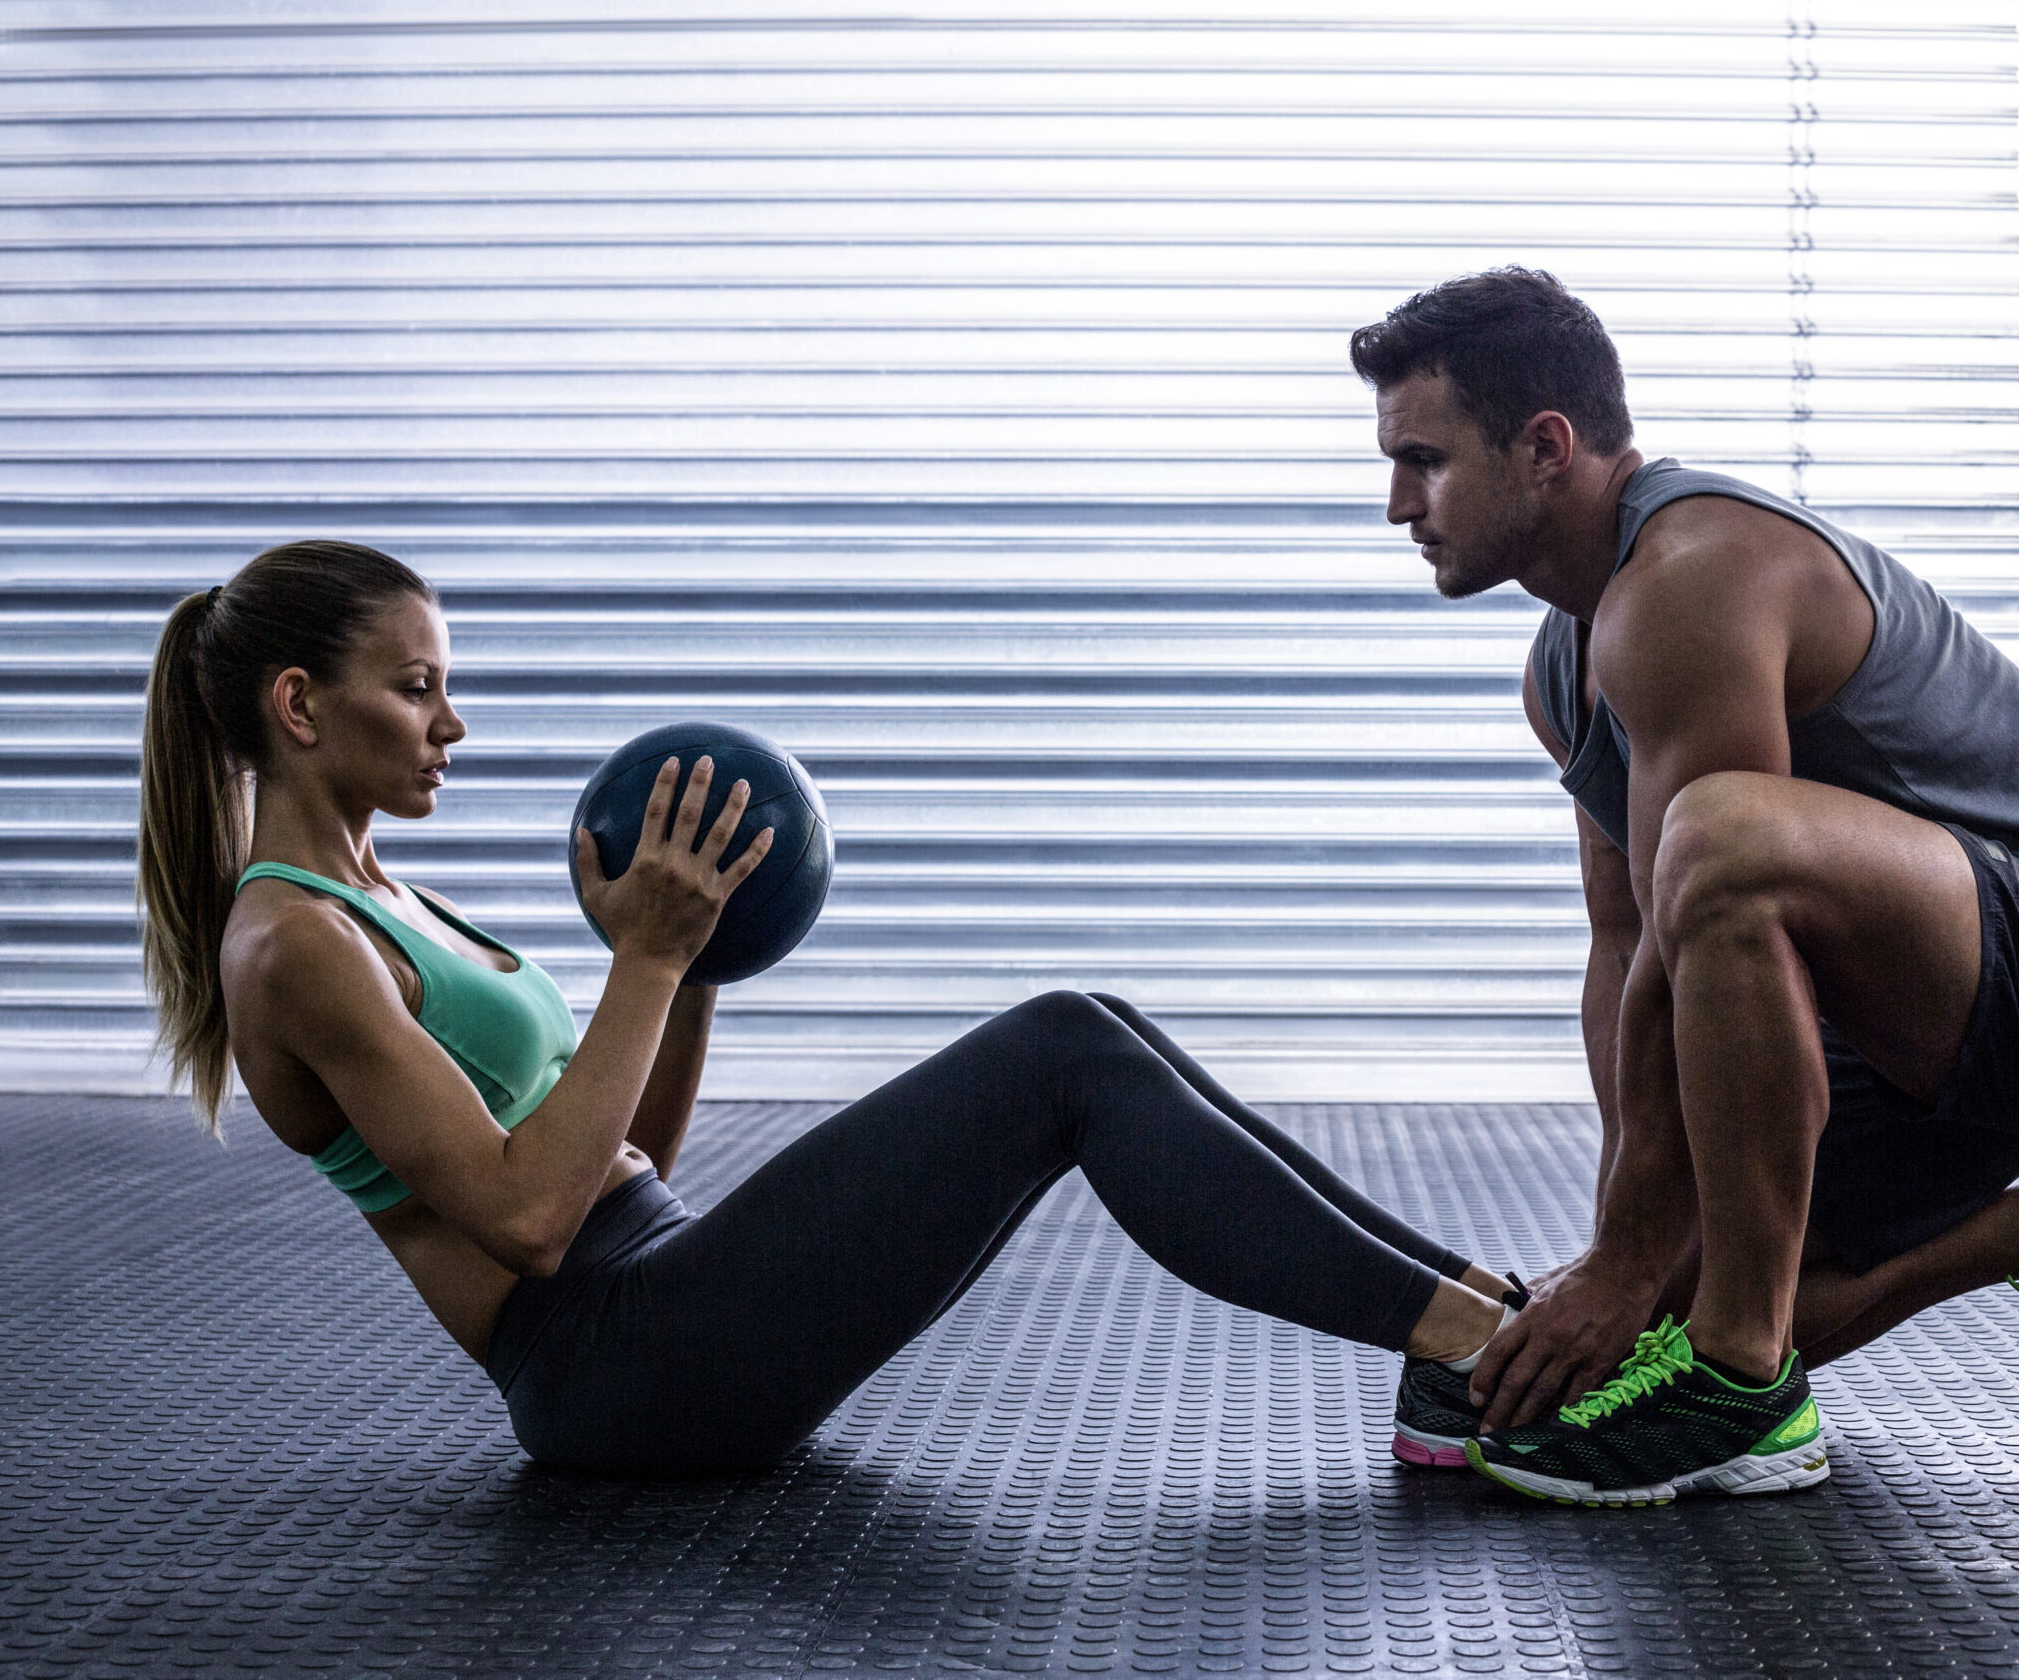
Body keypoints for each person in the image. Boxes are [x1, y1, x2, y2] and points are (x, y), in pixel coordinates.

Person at [137, 539, 1525, 1479]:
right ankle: (1482, 1358)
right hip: (617, 1368)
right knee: (1062, 1046)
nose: (452, 725)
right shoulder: (291, 942)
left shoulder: (387, 898)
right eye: (419, 686)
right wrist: (646, 961)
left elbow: (625, 1166)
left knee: (1088, 1019)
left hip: (660, 1295)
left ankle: (1483, 1310)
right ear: (301, 704)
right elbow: (525, 1216)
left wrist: (695, 973)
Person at [1350, 270, 2019, 1508]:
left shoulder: (1691, 570)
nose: (1397, 507)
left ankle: (1743, 1386)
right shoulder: (1564, 671)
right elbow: (1626, 950)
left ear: (1544, 448)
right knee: (1677, 1296)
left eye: (1423, 462)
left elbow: (1711, 876)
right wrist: (1626, 1261)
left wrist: (1618, 1258)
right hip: (1904, 1022)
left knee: (1719, 837)